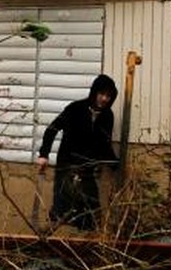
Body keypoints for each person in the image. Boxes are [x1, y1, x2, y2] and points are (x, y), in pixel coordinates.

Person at [36, 74, 118, 230]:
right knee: (63, 209)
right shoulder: (75, 109)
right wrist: (43, 155)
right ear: (94, 93)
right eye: (101, 94)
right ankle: (51, 241)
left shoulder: (108, 116)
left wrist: (114, 163)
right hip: (67, 165)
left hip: (87, 169)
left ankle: (83, 246)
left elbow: (104, 143)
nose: (104, 99)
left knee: (91, 213)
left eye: (108, 96)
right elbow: (51, 130)